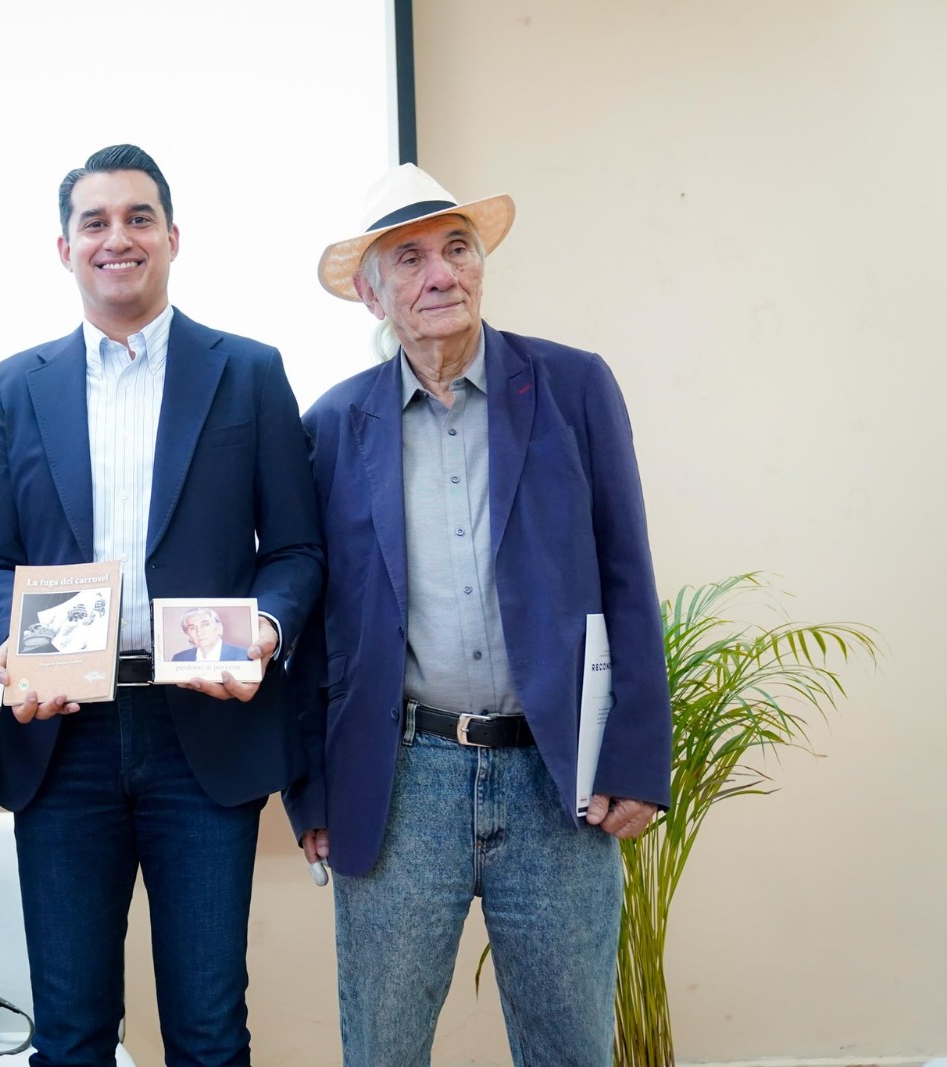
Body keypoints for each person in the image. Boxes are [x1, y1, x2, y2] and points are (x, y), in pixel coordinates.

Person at [284, 164, 672, 1066]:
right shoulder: (334, 425)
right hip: (399, 777)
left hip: (555, 779)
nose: (440, 274)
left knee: (571, 1047)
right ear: (370, 292)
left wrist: (636, 759)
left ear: (481, 265)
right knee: (382, 1049)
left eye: (457, 248)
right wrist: (310, 786)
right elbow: (318, 628)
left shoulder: (574, 387)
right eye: (409, 258)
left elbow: (627, 571)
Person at [0, 144, 322, 1067]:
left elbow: (293, 548)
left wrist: (267, 630)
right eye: (95, 222)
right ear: (64, 247)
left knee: (207, 1028)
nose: (116, 238)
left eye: (137, 218)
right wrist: (8, 639)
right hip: (62, 732)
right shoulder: (16, 385)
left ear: (172, 237)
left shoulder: (247, 371)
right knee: (73, 1031)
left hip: (198, 730)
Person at [170, 607, 247, 662]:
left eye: (205, 625)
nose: (199, 632)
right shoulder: (179, 659)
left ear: (219, 628)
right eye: (192, 628)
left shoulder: (243, 656)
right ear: (188, 636)